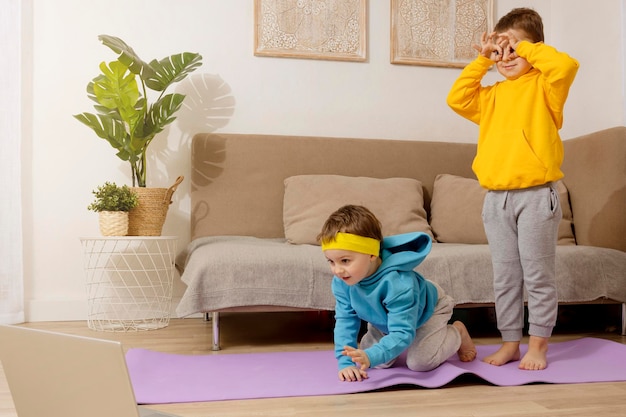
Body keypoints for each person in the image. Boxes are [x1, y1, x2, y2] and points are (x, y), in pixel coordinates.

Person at [446, 8, 579, 370]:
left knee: (537, 275)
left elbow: (566, 66)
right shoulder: (490, 97)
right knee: (505, 276)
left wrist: (526, 48)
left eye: (513, 49)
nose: (506, 57)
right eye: (499, 50)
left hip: (537, 196)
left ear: (534, 48)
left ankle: (538, 345)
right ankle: (510, 343)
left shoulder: (546, 87)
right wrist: (482, 59)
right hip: (496, 200)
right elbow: (457, 99)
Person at [317, 204, 476, 382]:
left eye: (345, 260)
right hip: (384, 316)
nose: (337, 270)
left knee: (420, 363)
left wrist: (372, 355)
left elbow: (402, 332)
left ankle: (457, 333)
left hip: (428, 309)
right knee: (375, 361)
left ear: (371, 254)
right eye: (331, 261)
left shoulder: (399, 284)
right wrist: (345, 362)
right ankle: (383, 344)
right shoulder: (342, 282)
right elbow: (346, 320)